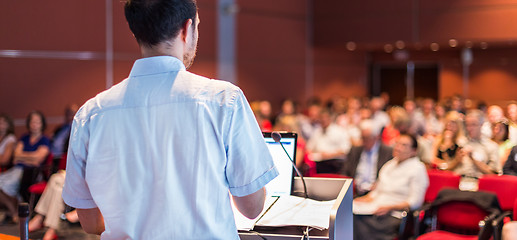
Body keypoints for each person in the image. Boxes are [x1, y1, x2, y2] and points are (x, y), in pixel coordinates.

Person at [61, 1, 278, 239]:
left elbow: (90, 223)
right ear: (187, 29)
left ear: (136, 31)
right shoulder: (223, 100)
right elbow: (252, 207)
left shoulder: (90, 114)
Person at [352, 134, 429, 240]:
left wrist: (389, 207)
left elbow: (415, 202)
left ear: (413, 151)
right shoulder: (389, 165)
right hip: (376, 207)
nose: (398, 147)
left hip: (395, 213)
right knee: (350, 213)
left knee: (356, 220)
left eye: (404, 145)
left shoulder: (418, 168)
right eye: (397, 143)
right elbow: (376, 192)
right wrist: (361, 200)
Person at [0, 111, 50, 223]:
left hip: (32, 173)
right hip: (17, 169)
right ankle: (14, 212)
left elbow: (39, 159)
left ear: (42, 124)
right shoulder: (24, 137)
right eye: (32, 122)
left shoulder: (44, 139)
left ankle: (15, 213)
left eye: (37, 122)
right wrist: (31, 157)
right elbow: (16, 156)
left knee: (7, 186)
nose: (34, 125)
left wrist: (22, 157)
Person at [341, 119, 393, 196]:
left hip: (376, 192)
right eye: (362, 138)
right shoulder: (355, 150)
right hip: (355, 191)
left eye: (367, 138)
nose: (364, 141)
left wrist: (379, 185)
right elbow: (345, 171)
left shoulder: (387, 152)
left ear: (376, 137)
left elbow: (390, 176)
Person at [449, 110, 499, 178]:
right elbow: (448, 169)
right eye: (467, 125)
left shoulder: (491, 146)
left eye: (473, 124)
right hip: (459, 181)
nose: (470, 128)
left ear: (481, 125)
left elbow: (493, 174)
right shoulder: (460, 143)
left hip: (479, 183)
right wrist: (457, 160)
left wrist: (473, 159)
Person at [306, 109, 351, 173]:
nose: (323, 120)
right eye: (321, 118)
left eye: (325, 118)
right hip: (319, 163)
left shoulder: (339, 131)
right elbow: (309, 148)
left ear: (330, 118)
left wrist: (329, 155)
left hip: (335, 164)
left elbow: (345, 150)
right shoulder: (317, 132)